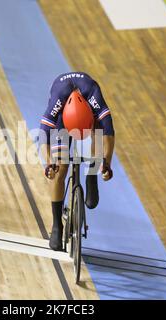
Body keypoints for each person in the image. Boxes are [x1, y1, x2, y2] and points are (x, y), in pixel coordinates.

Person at [39, 72, 115, 251]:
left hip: (88, 115)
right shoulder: (58, 102)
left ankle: (91, 176)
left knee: (99, 132)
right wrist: (49, 164)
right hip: (63, 122)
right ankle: (57, 225)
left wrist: (106, 163)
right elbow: (43, 136)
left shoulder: (93, 96)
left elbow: (109, 133)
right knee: (59, 170)